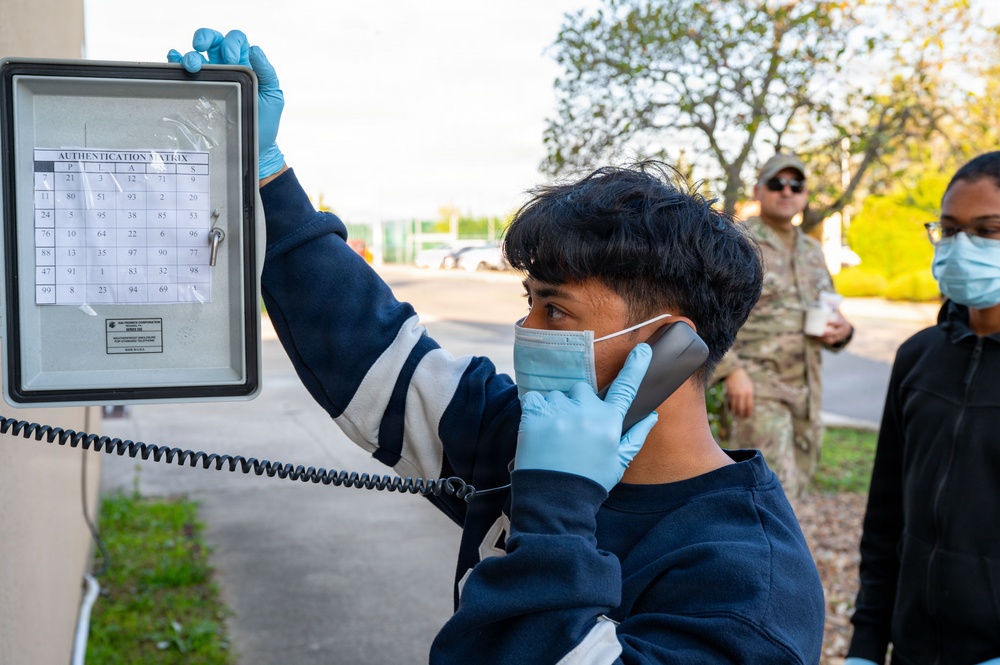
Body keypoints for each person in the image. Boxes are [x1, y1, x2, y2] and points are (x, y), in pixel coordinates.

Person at [169, 29, 826, 663]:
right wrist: (266, 176)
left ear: (669, 345)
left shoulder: (750, 584)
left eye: (556, 310)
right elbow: (371, 351)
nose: (527, 335)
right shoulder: (524, 436)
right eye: (529, 302)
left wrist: (556, 505)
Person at [845, 152, 1000, 665]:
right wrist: (866, 644)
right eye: (950, 229)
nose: (961, 247)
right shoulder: (918, 356)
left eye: (988, 230)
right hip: (911, 646)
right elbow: (885, 515)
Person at [712, 153, 854, 500]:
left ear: (805, 195)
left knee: (797, 490)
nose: (787, 191)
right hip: (759, 391)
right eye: (777, 184)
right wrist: (731, 371)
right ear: (759, 191)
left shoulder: (811, 249)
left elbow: (829, 308)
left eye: (796, 185)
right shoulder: (737, 242)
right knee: (768, 495)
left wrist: (843, 332)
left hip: (806, 393)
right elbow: (709, 311)